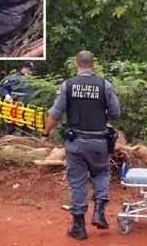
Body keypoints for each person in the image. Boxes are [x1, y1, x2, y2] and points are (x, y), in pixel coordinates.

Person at [40, 51, 121, 240]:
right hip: (100, 142)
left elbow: (56, 114)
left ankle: (78, 227)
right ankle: (99, 211)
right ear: (93, 65)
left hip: (75, 142)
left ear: (76, 65)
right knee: (101, 173)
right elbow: (116, 113)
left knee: (77, 181)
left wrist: (45, 134)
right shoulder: (105, 85)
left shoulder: (67, 85)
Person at [0, 61, 36, 136]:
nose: (31, 72)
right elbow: (3, 87)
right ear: (24, 68)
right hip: (15, 106)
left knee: (27, 127)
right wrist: (6, 95)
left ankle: (26, 143)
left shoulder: (31, 80)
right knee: (10, 126)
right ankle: (2, 140)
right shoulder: (15, 77)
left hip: (27, 107)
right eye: (30, 70)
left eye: (32, 70)